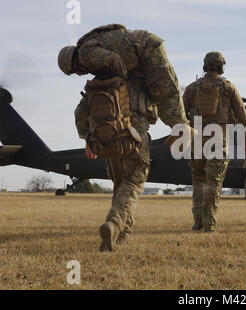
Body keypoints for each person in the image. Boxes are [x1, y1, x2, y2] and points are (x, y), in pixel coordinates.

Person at [58, 24, 189, 251]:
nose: (80, 74)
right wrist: (179, 123)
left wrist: (88, 139)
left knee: (119, 180)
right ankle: (115, 222)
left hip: (109, 135)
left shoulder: (91, 66)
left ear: (74, 62)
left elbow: (80, 113)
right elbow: (164, 91)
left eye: (75, 71)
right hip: (133, 128)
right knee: (134, 178)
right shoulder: (108, 74)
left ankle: (120, 232)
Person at [183, 51, 246, 232]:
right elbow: (243, 119)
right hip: (219, 141)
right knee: (214, 181)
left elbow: (180, 116)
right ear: (221, 67)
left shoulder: (191, 88)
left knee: (198, 180)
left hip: (197, 142)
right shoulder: (228, 88)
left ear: (205, 66)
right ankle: (209, 223)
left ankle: (197, 221)